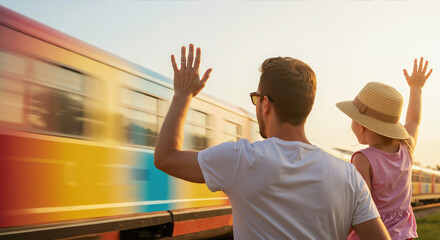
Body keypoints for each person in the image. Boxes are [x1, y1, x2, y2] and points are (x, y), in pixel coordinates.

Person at [155, 44, 390, 239]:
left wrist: (182, 96)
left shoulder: (240, 159)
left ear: (265, 103)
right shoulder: (349, 176)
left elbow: (166, 157)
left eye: (256, 99)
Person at [336, 58, 433, 240]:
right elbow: (413, 121)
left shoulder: (363, 159)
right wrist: (416, 88)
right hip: (405, 235)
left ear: (362, 125)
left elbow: (359, 207)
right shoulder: (406, 148)